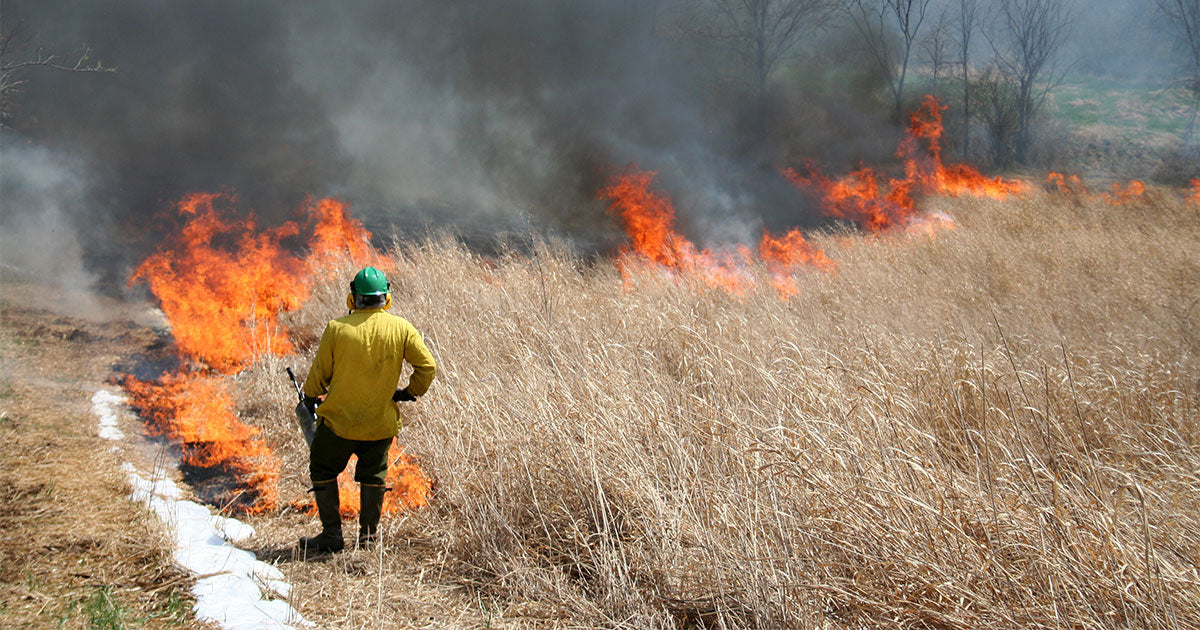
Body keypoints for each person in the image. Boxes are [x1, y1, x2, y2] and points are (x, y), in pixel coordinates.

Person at [299, 266, 436, 553]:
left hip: (338, 423)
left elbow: (319, 374)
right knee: (373, 478)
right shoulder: (402, 327)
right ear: (385, 298)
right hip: (379, 424)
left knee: (323, 467)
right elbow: (427, 367)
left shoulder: (337, 328)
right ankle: (368, 541)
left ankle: (332, 536)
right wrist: (410, 392)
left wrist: (310, 398)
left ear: (353, 299)